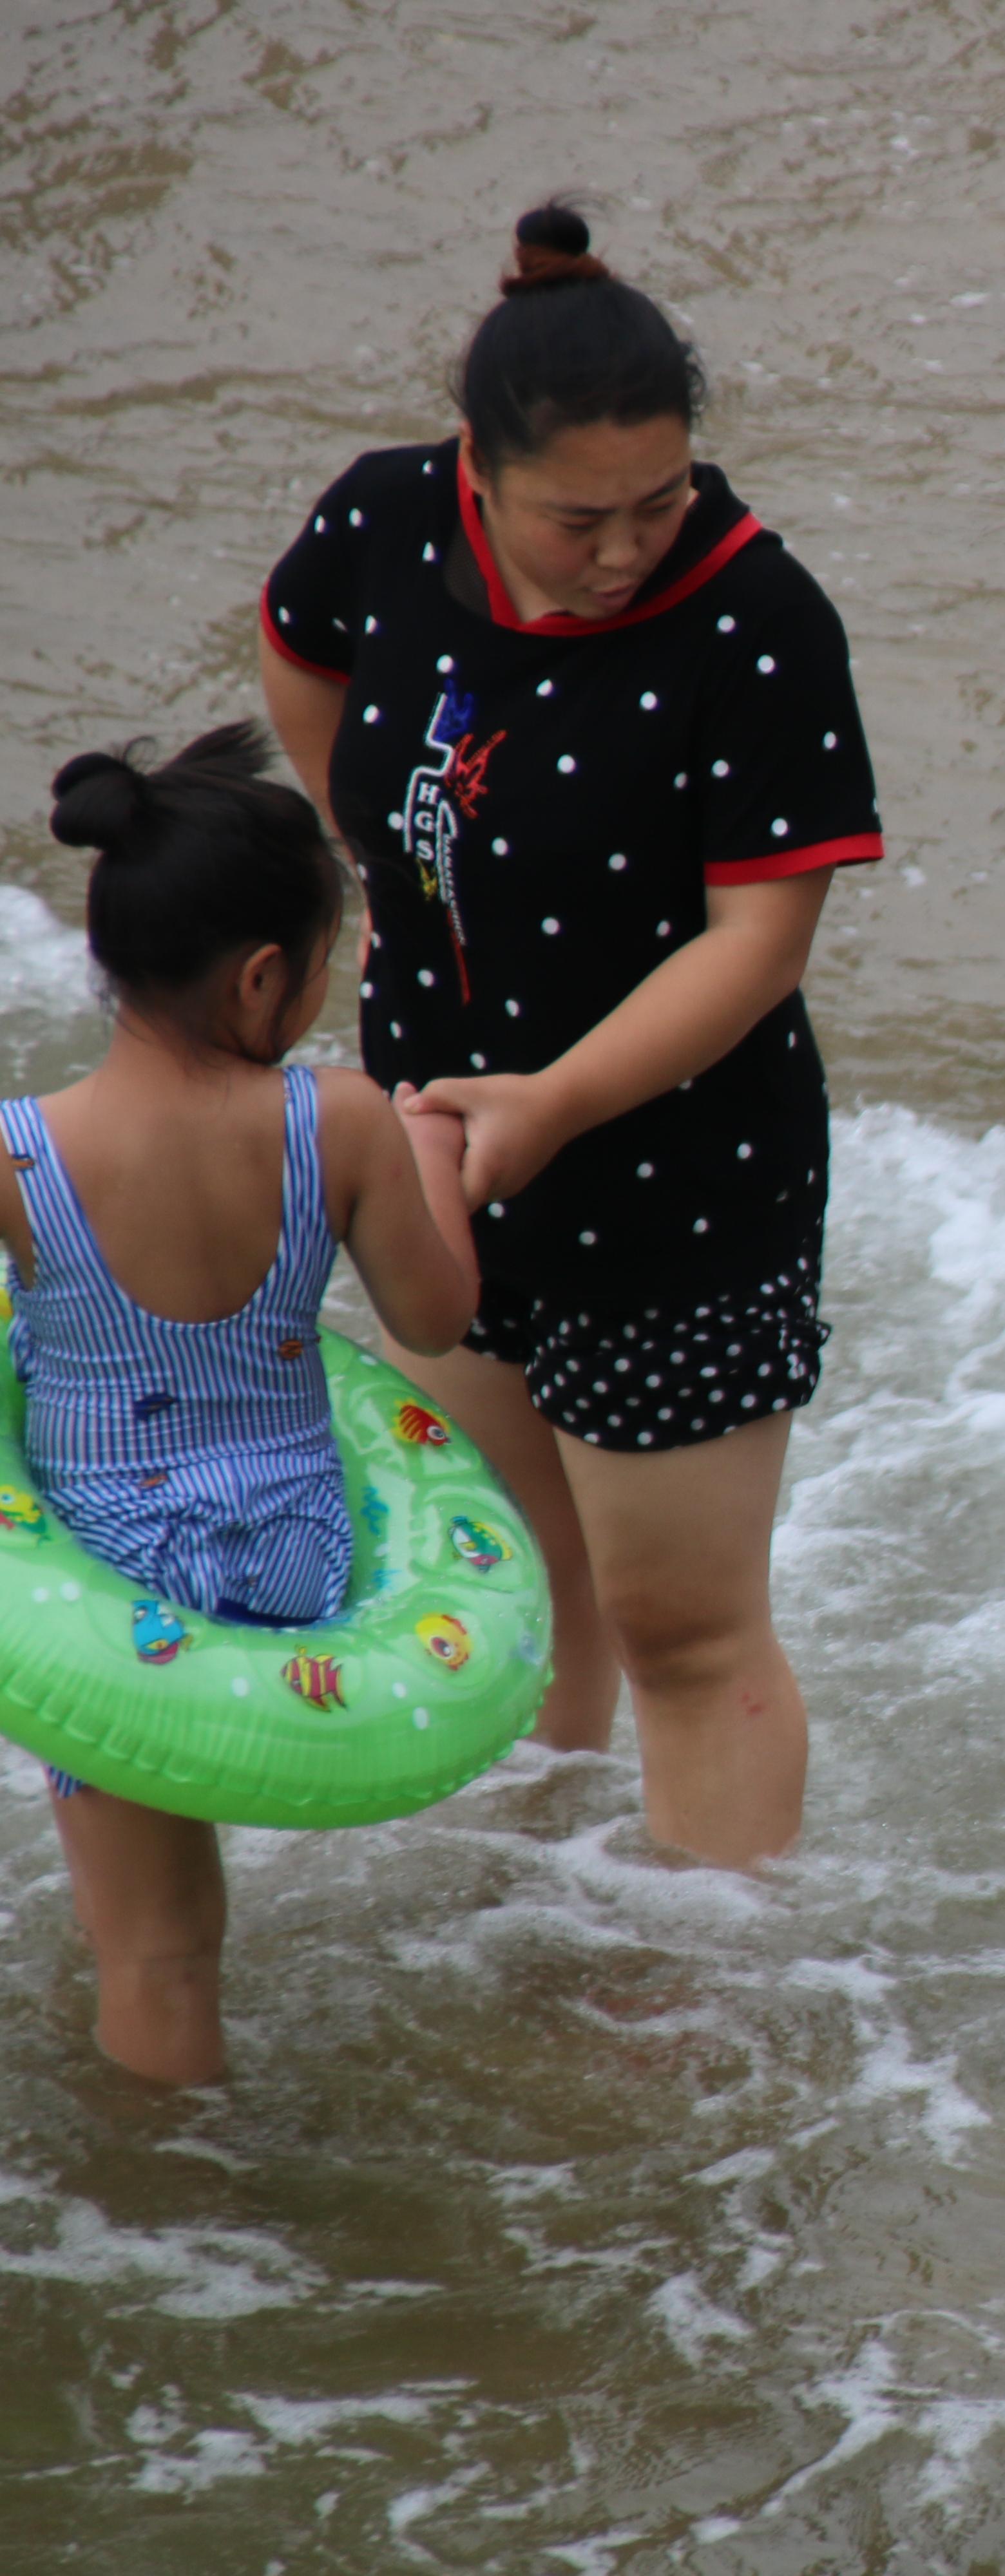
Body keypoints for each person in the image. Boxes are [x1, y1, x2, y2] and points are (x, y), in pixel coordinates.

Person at [256, 202, 883, 1870]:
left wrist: (549, 1102)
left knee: (686, 1629)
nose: (627, 549)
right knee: (507, 1570)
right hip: (436, 1137)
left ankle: (704, 1994)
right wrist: (386, 860)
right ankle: (545, 1873)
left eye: (662, 500)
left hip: (678, 1175)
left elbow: (759, 942)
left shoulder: (756, 621)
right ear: (479, 461)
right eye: (579, 517)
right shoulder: (388, 517)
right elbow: (304, 649)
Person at [9, 730, 480, 2085]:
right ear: (267, 972)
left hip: (110, 1590)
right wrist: (437, 1153)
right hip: (297, 1556)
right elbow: (435, 1318)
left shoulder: (21, 1148)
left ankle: (181, 2225)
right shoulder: (337, 1121)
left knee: (155, 1948)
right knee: (179, 1921)